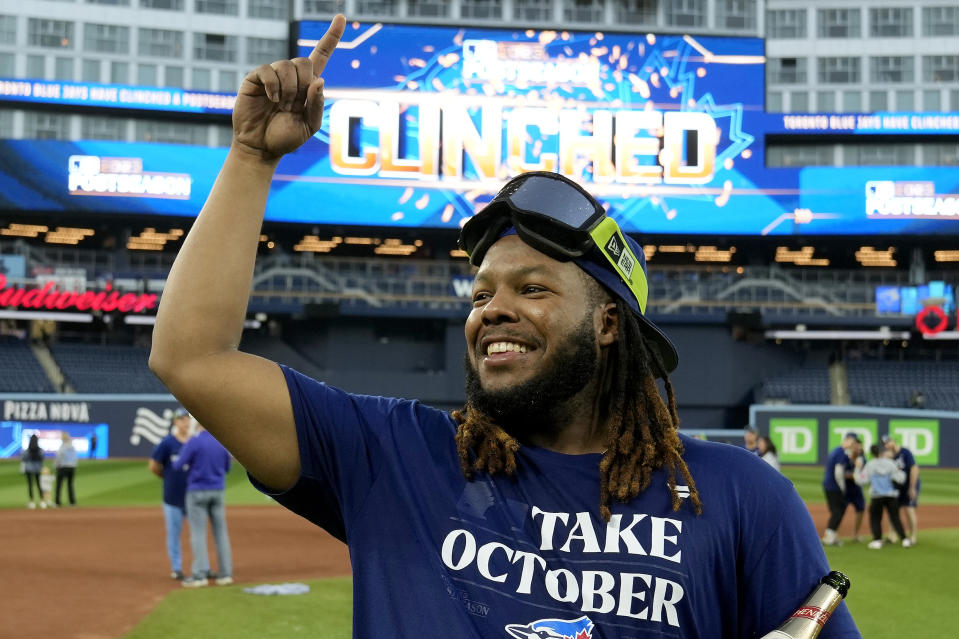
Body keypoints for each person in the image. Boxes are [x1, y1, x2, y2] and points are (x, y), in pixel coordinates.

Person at [148, 15, 859, 637]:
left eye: (532, 287)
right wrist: (250, 158)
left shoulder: (737, 495)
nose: (492, 309)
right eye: (480, 292)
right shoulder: (395, 458)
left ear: (608, 322)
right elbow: (191, 358)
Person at [173, 423, 234, 587]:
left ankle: (199, 576)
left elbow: (178, 465)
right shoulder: (222, 441)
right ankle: (226, 574)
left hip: (197, 491)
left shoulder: (194, 441)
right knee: (221, 533)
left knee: (198, 534)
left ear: (198, 423)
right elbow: (228, 467)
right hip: (218, 491)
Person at [149, 407, 192, 580]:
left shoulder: (193, 442)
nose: (185, 422)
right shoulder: (167, 443)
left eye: (187, 419)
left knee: (197, 533)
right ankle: (177, 568)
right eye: (181, 419)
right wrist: (166, 477)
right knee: (174, 534)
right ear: (175, 422)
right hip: (172, 497)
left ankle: (200, 566)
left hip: (192, 497)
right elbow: (153, 465)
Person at [855, 444, 909, 549]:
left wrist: (857, 469)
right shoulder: (891, 463)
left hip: (876, 496)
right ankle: (904, 539)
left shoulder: (870, 465)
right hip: (891, 495)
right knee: (895, 518)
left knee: (875, 518)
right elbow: (901, 478)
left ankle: (877, 540)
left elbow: (861, 480)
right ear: (881, 452)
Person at [820, 432, 861, 546]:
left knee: (837, 511)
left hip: (830, 485)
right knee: (838, 512)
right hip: (834, 486)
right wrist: (842, 487)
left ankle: (831, 536)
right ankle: (829, 537)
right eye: (852, 442)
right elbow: (838, 472)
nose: (853, 445)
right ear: (847, 440)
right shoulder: (840, 452)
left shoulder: (836, 450)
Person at [882, 434, 920, 545]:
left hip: (909, 484)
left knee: (909, 509)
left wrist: (912, 488)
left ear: (894, 441)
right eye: (885, 444)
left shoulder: (905, 452)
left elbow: (914, 469)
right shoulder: (888, 456)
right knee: (892, 510)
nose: (888, 445)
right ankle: (892, 535)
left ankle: (913, 536)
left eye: (889, 442)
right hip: (897, 486)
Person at [20, 433, 44, 509]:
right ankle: (42, 501)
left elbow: (23, 458)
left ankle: (32, 502)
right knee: (39, 485)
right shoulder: (40, 450)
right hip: (37, 469)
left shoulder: (27, 450)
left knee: (30, 485)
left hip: (29, 468)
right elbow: (42, 458)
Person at [54, 431, 78, 507]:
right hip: (72, 467)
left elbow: (59, 457)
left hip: (63, 467)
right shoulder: (72, 446)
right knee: (70, 485)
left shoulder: (62, 447)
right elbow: (75, 458)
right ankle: (72, 502)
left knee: (59, 485)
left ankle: (57, 502)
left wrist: (56, 466)